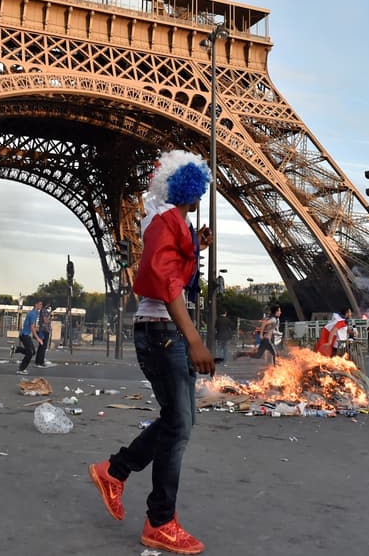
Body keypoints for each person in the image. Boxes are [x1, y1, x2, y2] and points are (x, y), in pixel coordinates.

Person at [88, 149, 215, 555]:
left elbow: (171, 270)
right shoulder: (165, 221)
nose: (202, 195)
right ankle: (160, 520)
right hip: (162, 332)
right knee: (179, 424)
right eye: (199, 188)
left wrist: (199, 247)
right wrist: (193, 338)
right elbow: (162, 280)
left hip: (162, 330)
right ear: (188, 187)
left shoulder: (174, 222)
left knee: (180, 420)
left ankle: (116, 470)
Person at [17, 300, 44, 375]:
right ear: (35, 305)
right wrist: (38, 338)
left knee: (32, 352)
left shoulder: (35, 313)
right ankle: (21, 369)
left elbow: (33, 326)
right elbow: (32, 327)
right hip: (24, 335)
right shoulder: (33, 314)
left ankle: (16, 349)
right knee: (30, 353)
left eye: (41, 304)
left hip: (25, 335)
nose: (41, 306)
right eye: (40, 304)